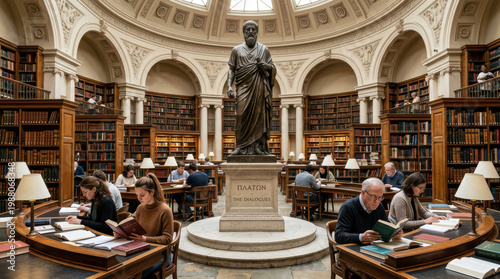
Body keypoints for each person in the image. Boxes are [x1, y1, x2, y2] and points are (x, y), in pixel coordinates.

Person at [227, 20, 276, 155]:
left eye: (253, 30)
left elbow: (272, 68)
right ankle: (241, 146)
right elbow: (231, 69)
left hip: (259, 87)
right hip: (242, 87)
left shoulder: (264, 49)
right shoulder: (236, 50)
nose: (250, 32)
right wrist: (229, 87)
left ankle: (258, 147)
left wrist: (266, 66)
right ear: (243, 33)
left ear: (257, 33)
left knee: (259, 116)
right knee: (240, 115)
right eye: (247, 30)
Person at [127, 173, 174, 278]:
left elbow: (167, 239)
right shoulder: (140, 208)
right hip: (142, 250)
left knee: (135, 273)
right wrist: (121, 233)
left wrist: (145, 239)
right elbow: (137, 230)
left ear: (152, 192)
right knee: (121, 269)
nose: (138, 198)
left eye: (142, 195)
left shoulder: (165, 210)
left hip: (161, 254)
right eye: (137, 195)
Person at [335, 178, 403, 244]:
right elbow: (339, 236)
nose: (376, 201)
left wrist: (393, 233)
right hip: (353, 247)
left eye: (380, 197)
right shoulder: (348, 207)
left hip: (374, 246)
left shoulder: (379, 205)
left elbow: (386, 226)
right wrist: (361, 237)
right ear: (363, 192)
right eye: (373, 196)